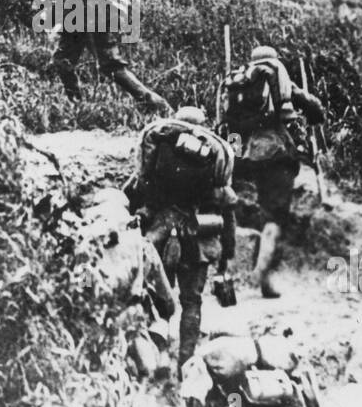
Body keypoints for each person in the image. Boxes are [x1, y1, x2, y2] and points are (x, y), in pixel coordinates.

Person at [125, 106, 237, 371]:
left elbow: (134, 193)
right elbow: (228, 213)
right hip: (197, 240)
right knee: (192, 302)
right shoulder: (212, 164)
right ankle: (185, 364)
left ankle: (161, 355)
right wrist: (226, 260)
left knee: (156, 297)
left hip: (159, 239)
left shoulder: (159, 158)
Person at [217, 45, 326, 298]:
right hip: (274, 153)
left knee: (233, 210)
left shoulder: (237, 81)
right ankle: (263, 276)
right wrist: (311, 114)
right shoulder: (276, 75)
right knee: (275, 214)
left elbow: (223, 122)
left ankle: (228, 275)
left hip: (241, 155)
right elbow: (314, 108)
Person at [30, 0, 170, 112]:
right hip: (102, 9)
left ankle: (153, 103)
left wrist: (51, 19)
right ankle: (77, 105)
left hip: (82, 14)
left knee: (98, 64)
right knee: (69, 60)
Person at [97, 222, 177, 382]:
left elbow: (85, 286)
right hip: (132, 318)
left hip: (101, 320)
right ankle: (153, 366)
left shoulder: (90, 250)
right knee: (148, 336)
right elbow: (166, 295)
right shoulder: (143, 247)